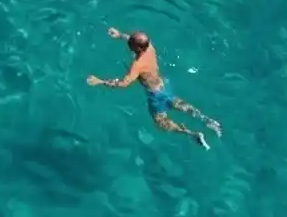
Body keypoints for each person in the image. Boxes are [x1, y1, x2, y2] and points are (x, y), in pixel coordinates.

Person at [87, 29, 217, 147]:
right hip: (164, 85)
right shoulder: (150, 48)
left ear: (136, 48)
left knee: (160, 121)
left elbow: (123, 83)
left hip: (154, 94)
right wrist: (120, 35)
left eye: (131, 41)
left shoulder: (137, 65)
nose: (129, 41)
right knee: (179, 104)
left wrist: (101, 81)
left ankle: (189, 133)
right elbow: (138, 42)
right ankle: (209, 121)